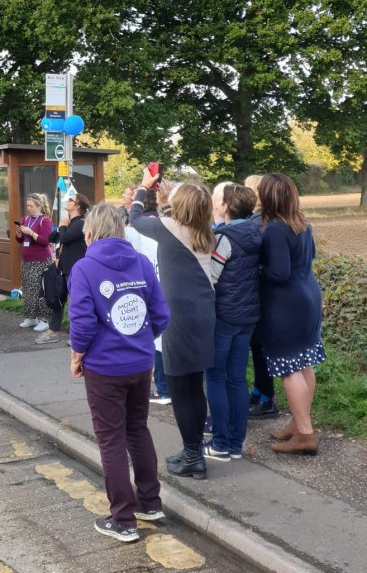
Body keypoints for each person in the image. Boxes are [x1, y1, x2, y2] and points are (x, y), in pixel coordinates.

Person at [68, 202, 170, 543]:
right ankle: (150, 503)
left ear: (90, 233)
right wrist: (140, 340)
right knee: (137, 430)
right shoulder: (141, 263)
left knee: (111, 439)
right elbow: (160, 315)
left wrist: (77, 356)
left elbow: (82, 324)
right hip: (140, 364)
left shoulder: (84, 268)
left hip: (104, 367)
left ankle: (122, 519)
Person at [128, 172, 219, 480]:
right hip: (204, 313)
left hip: (178, 318)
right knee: (195, 384)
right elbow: (173, 217)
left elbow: (135, 217)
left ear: (180, 207)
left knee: (180, 387)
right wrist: (168, 201)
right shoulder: (205, 230)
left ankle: (193, 456)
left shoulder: (169, 228)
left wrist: (145, 186)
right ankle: (193, 449)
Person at [258, 173, 325, 455]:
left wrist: (257, 269)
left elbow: (279, 272)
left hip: (285, 304)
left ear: (267, 197)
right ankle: (299, 424)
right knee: (304, 362)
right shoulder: (303, 222)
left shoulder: (275, 228)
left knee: (288, 367)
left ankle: (305, 434)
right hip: (308, 294)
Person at [203, 184, 262, 461]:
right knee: (237, 378)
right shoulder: (256, 233)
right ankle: (236, 443)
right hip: (249, 316)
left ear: (226, 207)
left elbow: (211, 278)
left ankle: (220, 443)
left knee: (215, 376)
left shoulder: (223, 237)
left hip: (224, 315)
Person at [244, 173, 279, 418]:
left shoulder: (257, 223)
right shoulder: (268, 220)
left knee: (259, 346)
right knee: (258, 346)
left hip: (259, 294)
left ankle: (268, 398)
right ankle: (259, 390)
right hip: (265, 293)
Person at [36, 193, 91, 345]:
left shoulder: (81, 223)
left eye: (71, 200)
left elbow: (65, 238)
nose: (67, 202)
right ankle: (52, 331)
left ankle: (77, 335)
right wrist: (61, 227)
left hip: (75, 269)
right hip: (62, 268)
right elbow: (52, 238)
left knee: (76, 303)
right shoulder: (68, 222)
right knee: (57, 300)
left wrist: (62, 226)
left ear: (78, 206)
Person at [14, 192, 54, 333]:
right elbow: (20, 240)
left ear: (39, 206)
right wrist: (19, 234)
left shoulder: (45, 221)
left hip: (41, 261)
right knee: (28, 288)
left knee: (40, 290)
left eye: (31, 206)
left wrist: (31, 233)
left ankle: (45, 319)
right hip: (27, 261)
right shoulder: (25, 218)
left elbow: (45, 241)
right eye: (27, 206)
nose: (29, 208)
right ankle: (31, 317)